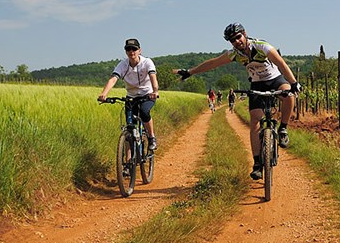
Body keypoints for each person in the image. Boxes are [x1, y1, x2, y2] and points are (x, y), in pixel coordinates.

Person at [175, 22, 301, 180]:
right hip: (257, 84)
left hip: (275, 79)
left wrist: (294, 83)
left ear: (244, 34)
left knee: (288, 96)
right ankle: (257, 164)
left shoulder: (261, 46)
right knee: (255, 120)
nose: (236, 41)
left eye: (238, 37)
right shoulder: (234, 54)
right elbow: (213, 63)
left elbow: (281, 63)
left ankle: (283, 128)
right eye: (232, 40)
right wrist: (190, 72)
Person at [98, 38, 159, 151]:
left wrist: (155, 91)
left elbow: (152, 77)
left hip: (147, 95)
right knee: (129, 129)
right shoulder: (123, 65)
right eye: (128, 49)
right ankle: (127, 162)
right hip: (131, 97)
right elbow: (113, 79)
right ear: (126, 51)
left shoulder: (147, 62)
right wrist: (104, 94)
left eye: (134, 49)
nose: (131, 51)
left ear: (139, 50)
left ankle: (151, 137)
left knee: (145, 112)